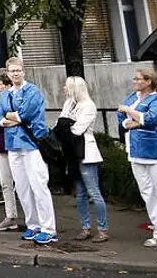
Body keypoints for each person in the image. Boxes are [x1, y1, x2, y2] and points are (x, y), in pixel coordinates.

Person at [118, 67, 157, 249]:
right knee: (149, 195)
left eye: (138, 79)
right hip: (137, 152)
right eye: (135, 79)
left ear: (148, 81)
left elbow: (151, 119)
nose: (135, 82)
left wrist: (131, 113)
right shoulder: (133, 97)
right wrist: (129, 122)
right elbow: (120, 114)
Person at [0, 58, 57, 244]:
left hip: (32, 144)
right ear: (7, 73)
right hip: (13, 145)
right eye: (12, 71)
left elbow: (26, 115)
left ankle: (49, 229)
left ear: (23, 71)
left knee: (39, 186)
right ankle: (33, 224)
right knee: (22, 188)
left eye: (18, 70)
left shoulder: (32, 91)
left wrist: (10, 117)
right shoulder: (5, 95)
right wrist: (8, 119)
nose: (15, 73)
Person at [58, 76, 108, 241]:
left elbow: (77, 129)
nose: (64, 88)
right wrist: (66, 125)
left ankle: (102, 229)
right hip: (74, 152)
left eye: (67, 86)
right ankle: (85, 227)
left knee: (93, 192)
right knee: (80, 193)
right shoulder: (69, 103)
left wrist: (65, 125)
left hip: (87, 152)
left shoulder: (88, 105)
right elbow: (62, 124)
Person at [0, 74, 21, 231]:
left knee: (21, 181)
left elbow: (21, 119)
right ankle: (10, 215)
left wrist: (3, 121)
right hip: (1, 144)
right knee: (5, 182)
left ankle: (32, 218)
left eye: (0, 84)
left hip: (14, 144)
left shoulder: (15, 99)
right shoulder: (0, 101)